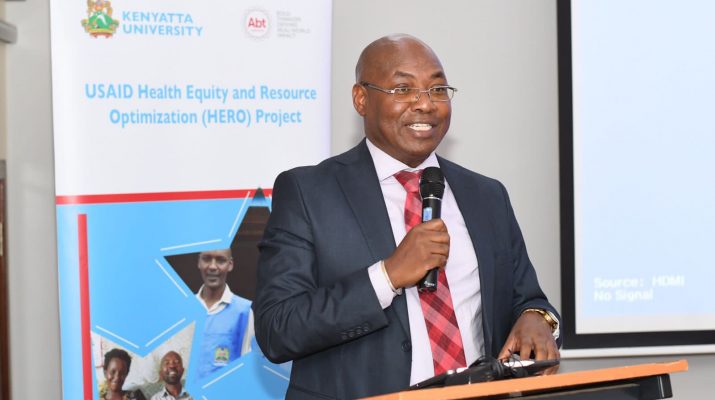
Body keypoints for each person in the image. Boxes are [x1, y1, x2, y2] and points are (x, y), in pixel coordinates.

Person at [253, 34, 562, 399]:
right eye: (403, 89)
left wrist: (537, 319)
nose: (426, 104)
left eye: (437, 89)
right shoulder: (308, 192)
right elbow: (277, 329)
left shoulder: (487, 196)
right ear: (361, 99)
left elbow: (528, 298)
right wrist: (387, 276)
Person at [195, 248, 254, 378]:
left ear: (230, 264)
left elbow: (247, 365)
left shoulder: (245, 310)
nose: (212, 266)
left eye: (220, 260)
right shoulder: (186, 308)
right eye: (206, 259)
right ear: (199, 262)